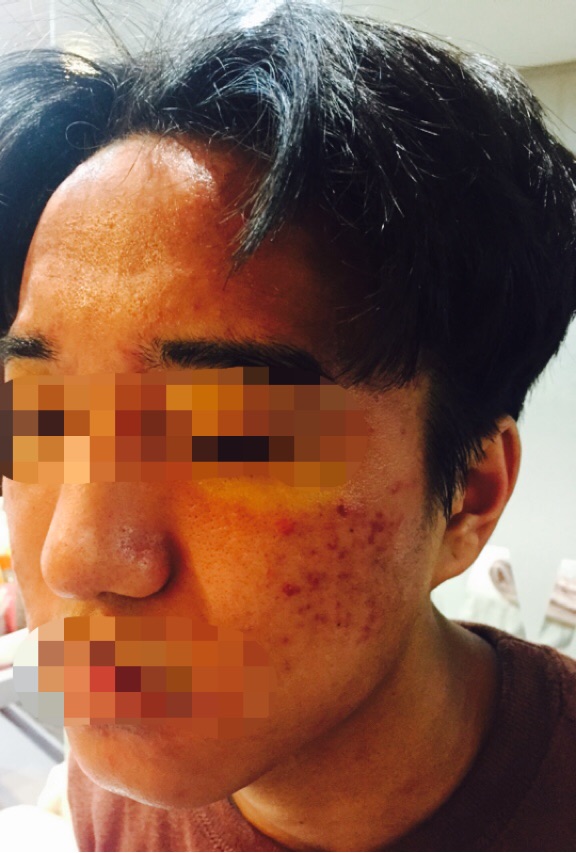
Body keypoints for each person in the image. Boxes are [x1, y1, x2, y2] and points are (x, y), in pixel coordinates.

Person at [0, 1, 575, 849]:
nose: (73, 558)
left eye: (227, 432)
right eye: (39, 418)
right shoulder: (107, 742)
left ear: (467, 497)